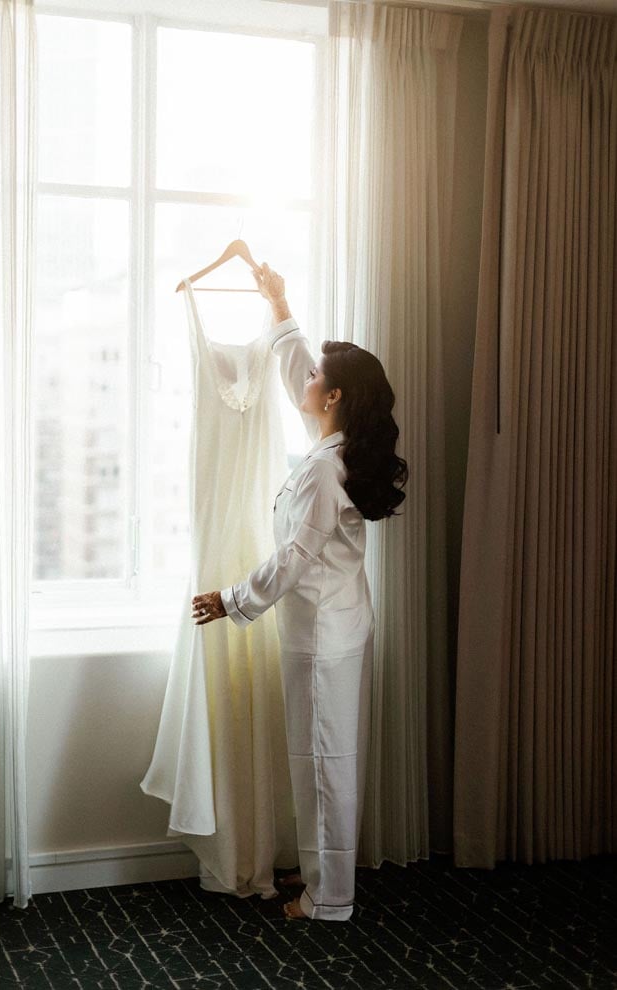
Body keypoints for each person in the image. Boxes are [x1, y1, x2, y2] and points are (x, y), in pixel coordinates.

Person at [191, 263, 408, 921]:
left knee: (325, 768)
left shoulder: (322, 470)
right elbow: (296, 370)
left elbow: (292, 559)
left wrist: (230, 599)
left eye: (318, 378)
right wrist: (280, 305)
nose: (305, 381)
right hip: (328, 630)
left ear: (336, 397)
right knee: (319, 760)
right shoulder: (333, 450)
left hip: (326, 639)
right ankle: (320, 882)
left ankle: (331, 899)